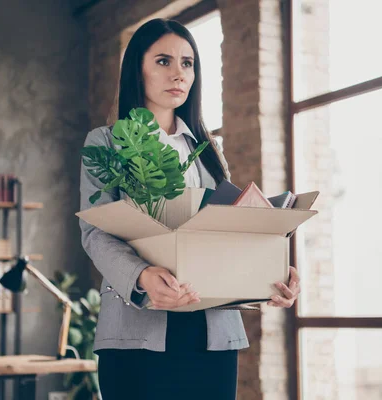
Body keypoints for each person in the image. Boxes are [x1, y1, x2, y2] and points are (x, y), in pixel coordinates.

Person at [79, 18, 301, 400]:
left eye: (188, 63)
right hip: (137, 332)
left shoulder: (209, 148)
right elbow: (96, 232)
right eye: (163, 61)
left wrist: (270, 279)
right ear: (138, 69)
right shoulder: (106, 142)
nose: (178, 74)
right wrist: (142, 276)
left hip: (211, 336)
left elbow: (223, 235)